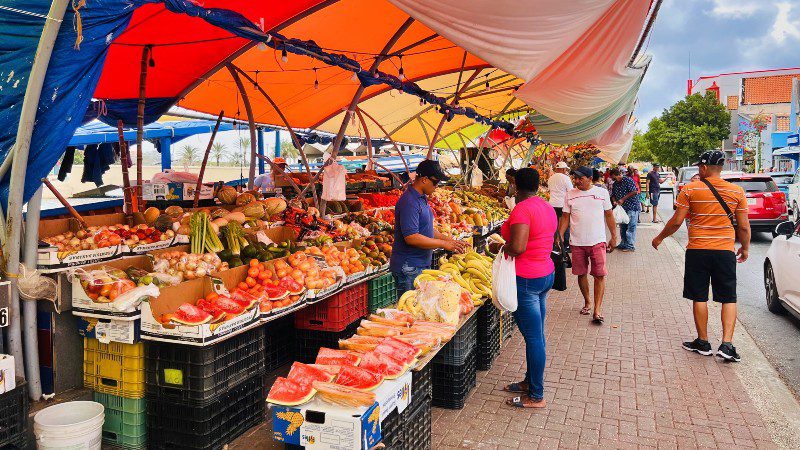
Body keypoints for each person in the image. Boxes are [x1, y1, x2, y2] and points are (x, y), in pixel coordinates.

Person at [652, 150, 750, 362]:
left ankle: (703, 342)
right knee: (728, 297)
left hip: (698, 250)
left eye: (699, 167)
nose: (698, 169)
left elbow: (677, 221)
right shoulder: (737, 192)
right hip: (724, 250)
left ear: (704, 168)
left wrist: (660, 237)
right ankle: (727, 344)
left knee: (699, 295)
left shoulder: (690, 189)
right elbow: (743, 226)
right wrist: (745, 248)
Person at [499, 168, 557, 409]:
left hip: (526, 279)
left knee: (534, 338)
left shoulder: (522, 208)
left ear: (515, 185)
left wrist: (500, 249)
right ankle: (529, 382)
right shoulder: (546, 206)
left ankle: (536, 396)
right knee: (537, 335)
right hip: (545, 274)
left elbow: (519, 247)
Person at [390, 160, 468, 296]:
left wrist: (450, 241)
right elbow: (412, 238)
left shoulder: (421, 199)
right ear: (424, 180)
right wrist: (443, 244)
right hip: (408, 267)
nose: (437, 187)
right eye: (435, 182)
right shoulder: (409, 202)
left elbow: (428, 230)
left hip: (418, 265)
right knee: (412, 308)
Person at [558, 166, 618, 324]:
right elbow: (565, 217)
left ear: (590, 179)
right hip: (577, 242)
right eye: (575, 178)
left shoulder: (601, 193)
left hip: (597, 241)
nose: (577, 181)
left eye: (581, 178)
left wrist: (614, 236)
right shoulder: (570, 194)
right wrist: (559, 236)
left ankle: (597, 309)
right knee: (581, 273)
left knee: (599, 275)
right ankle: (587, 302)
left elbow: (609, 215)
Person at [610, 167, 641, 251]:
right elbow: (613, 195)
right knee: (623, 225)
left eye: (614, 177)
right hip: (622, 208)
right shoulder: (615, 183)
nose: (614, 179)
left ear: (618, 175)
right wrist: (614, 201)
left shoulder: (628, 180)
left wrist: (623, 199)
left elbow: (634, 191)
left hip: (632, 206)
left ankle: (630, 245)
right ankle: (623, 243)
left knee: (631, 226)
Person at [547, 161, 573, 246]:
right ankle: (565, 244)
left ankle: (554, 242)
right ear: (562, 169)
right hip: (563, 204)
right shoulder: (566, 178)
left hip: (552, 204)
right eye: (565, 169)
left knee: (554, 224)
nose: (565, 171)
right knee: (565, 224)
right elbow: (570, 191)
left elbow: (549, 189)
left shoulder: (551, 178)